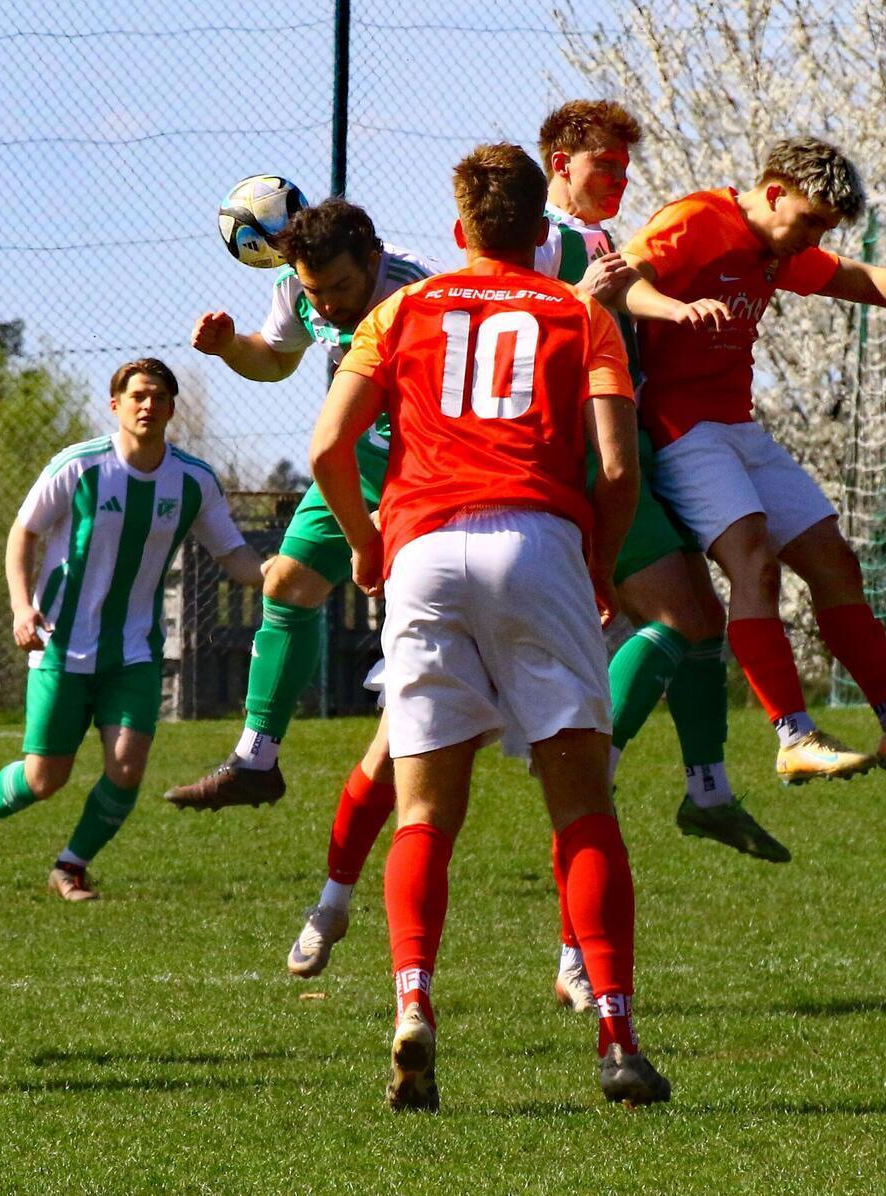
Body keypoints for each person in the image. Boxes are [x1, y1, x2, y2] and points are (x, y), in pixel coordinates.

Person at [312, 142, 670, 1111]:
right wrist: (599, 563)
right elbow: (617, 467)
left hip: (424, 551)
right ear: (540, 230)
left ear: (459, 228)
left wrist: (366, 545)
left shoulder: (398, 311)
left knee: (424, 812)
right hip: (537, 543)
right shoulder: (580, 313)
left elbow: (328, 446)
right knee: (581, 806)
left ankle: (412, 1005)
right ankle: (615, 1038)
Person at [617, 136, 886, 780]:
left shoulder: (778, 246)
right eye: (809, 223)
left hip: (738, 428)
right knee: (754, 561)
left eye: (824, 229)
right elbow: (623, 280)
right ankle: (794, 737)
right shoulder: (695, 220)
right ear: (775, 193)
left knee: (835, 562)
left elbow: (862, 278)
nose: (813, 240)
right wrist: (674, 310)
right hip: (681, 430)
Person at [0, 359, 261, 900]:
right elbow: (23, 533)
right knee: (44, 778)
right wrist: (21, 608)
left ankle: (70, 866)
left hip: (134, 650)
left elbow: (233, 554)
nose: (147, 405)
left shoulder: (193, 480)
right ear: (116, 405)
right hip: (60, 642)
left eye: (158, 397)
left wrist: (276, 574)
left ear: (171, 409)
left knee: (127, 766)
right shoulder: (80, 465)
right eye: (137, 395)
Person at [167, 199, 435, 810]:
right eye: (317, 292)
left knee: (421, 629)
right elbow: (276, 359)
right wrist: (230, 347)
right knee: (286, 584)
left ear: (373, 259)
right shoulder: (297, 287)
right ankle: (255, 761)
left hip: (424, 467)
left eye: (341, 287)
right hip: (355, 461)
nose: (328, 304)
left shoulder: (417, 290)